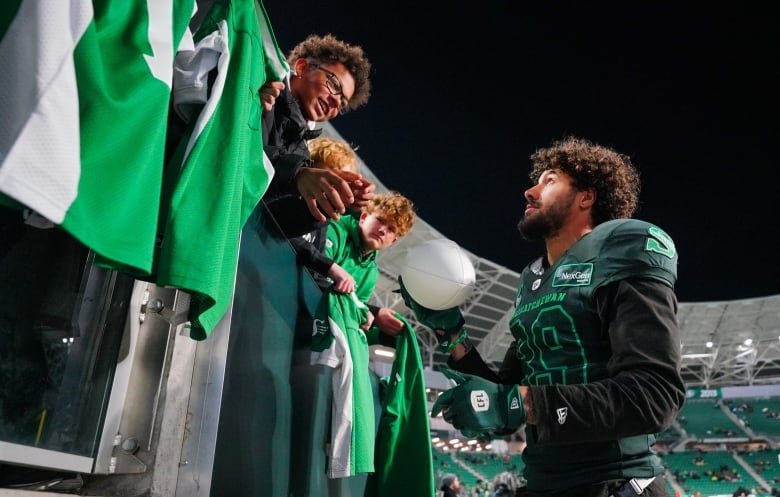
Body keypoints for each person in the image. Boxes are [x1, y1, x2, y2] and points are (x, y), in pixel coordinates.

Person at [400, 136, 685, 496]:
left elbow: (654, 396)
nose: (530, 192)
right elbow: (506, 398)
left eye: (550, 180)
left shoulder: (621, 246)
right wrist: (452, 333)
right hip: (543, 483)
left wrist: (520, 402)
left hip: (613, 482)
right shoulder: (533, 279)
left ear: (587, 196)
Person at [311, 191, 415, 478]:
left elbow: (353, 321)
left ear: (394, 241)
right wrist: (366, 311)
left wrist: (377, 324)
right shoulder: (335, 227)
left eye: (393, 230)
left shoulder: (370, 272)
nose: (384, 230)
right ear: (365, 215)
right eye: (382, 220)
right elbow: (313, 279)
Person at [260, 33, 375, 225]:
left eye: (342, 103)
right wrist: (295, 173)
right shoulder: (259, 83)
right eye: (334, 84)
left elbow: (271, 223)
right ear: (302, 67)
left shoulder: (302, 152)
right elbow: (233, 153)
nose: (336, 101)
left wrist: (331, 199)